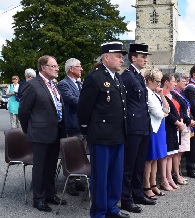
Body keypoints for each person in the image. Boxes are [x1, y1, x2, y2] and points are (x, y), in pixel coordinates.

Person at [77, 42, 129, 218]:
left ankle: (111, 208)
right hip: (101, 137)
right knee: (101, 178)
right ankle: (99, 213)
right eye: (118, 56)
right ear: (106, 57)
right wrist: (86, 130)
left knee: (115, 176)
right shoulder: (95, 78)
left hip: (118, 135)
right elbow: (84, 108)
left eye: (122, 57)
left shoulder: (117, 78)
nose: (122, 59)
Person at [18, 55, 67, 212]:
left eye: (56, 65)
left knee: (51, 165)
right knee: (40, 167)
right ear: (43, 68)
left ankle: (50, 194)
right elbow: (23, 112)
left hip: (55, 131)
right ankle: (38, 198)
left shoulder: (54, 85)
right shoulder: (32, 85)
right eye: (53, 66)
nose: (57, 68)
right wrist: (29, 129)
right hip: (40, 133)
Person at [121, 43, 155, 214]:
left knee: (139, 163)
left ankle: (138, 192)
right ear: (134, 58)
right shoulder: (127, 77)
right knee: (129, 165)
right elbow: (124, 104)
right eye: (143, 56)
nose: (146, 59)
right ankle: (126, 199)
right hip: (133, 127)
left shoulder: (139, 76)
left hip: (143, 125)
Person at [57, 58, 86, 196]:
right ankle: (70, 183)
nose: (81, 69)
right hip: (72, 126)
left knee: (81, 154)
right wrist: (88, 101)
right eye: (79, 66)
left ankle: (79, 179)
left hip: (82, 126)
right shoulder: (63, 84)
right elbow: (72, 100)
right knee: (70, 156)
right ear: (71, 69)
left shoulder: (80, 84)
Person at [143, 68, 169, 199]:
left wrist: (162, 95)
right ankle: (146, 185)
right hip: (153, 128)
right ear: (149, 80)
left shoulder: (155, 93)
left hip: (159, 127)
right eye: (157, 81)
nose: (159, 84)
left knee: (156, 158)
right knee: (149, 159)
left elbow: (166, 109)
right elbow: (158, 113)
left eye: (160, 81)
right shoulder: (146, 92)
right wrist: (163, 114)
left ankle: (153, 184)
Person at [159, 73, 185, 190]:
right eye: (173, 81)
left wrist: (180, 121)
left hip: (173, 127)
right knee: (167, 155)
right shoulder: (162, 95)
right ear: (166, 82)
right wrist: (178, 122)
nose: (175, 83)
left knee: (171, 154)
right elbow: (167, 113)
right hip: (167, 126)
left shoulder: (170, 95)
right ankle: (165, 179)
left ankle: (169, 178)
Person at [171, 73, 195, 184]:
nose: (186, 82)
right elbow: (180, 111)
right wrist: (188, 120)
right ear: (176, 82)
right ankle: (176, 174)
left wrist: (190, 119)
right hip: (181, 124)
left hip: (186, 123)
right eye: (183, 80)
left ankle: (178, 173)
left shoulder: (181, 94)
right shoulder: (174, 94)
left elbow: (187, 108)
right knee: (177, 152)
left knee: (180, 152)